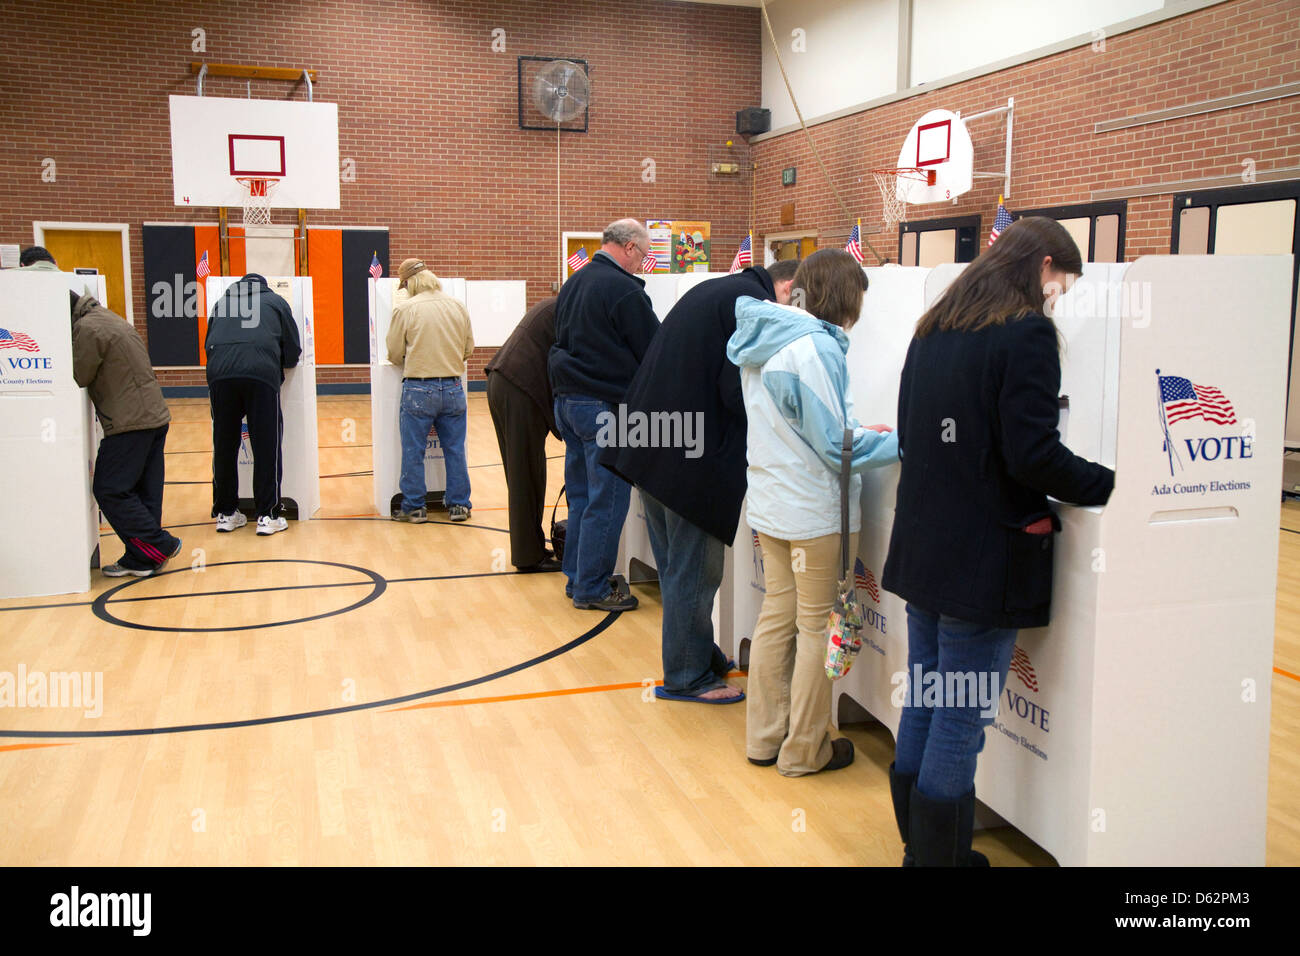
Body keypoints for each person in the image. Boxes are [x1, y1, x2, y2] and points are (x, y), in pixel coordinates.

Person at [881, 217, 1115, 866]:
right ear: (1043, 265)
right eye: (1060, 286)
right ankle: (939, 859)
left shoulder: (933, 329)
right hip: (981, 560)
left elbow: (912, 436)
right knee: (961, 717)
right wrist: (1108, 485)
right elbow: (1033, 455)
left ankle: (919, 846)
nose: (1056, 301)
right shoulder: (1027, 334)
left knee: (929, 697)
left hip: (924, 547)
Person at [727, 249, 898, 773]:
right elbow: (835, 447)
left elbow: (802, 428)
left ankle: (764, 738)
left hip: (772, 505)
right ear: (844, 297)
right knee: (816, 628)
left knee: (777, 617)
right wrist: (902, 443)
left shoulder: (765, 339)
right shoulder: (815, 348)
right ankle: (805, 750)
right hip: (814, 514)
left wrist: (859, 434)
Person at [602, 259, 800, 703]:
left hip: (650, 443)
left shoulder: (720, 292)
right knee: (695, 572)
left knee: (678, 568)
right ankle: (687, 676)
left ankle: (698, 655)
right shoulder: (749, 306)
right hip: (689, 459)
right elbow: (735, 392)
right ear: (787, 286)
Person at [549, 219, 659, 611]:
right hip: (604, 409)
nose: (642, 265)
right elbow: (654, 351)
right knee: (608, 501)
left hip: (569, 403)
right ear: (629, 247)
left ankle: (578, 577)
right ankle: (593, 588)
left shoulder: (574, 282)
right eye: (644, 256)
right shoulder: (623, 290)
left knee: (581, 497)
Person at [70, 290, 182, 576]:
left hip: (129, 420)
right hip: (154, 415)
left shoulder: (86, 327)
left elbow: (79, 375)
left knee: (109, 488)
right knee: (145, 492)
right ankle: (142, 559)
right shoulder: (109, 318)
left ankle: (160, 544)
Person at [206, 273, 301, 535]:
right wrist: (283, 361)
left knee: (223, 445)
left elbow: (208, 343)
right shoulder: (275, 301)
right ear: (263, 286)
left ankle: (226, 513)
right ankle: (267, 515)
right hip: (260, 373)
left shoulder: (221, 302)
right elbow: (293, 348)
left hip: (220, 375)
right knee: (266, 444)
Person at [387, 260, 474, 522]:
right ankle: (459, 506)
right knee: (455, 449)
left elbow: (393, 353)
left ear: (410, 283)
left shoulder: (406, 308)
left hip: (418, 389)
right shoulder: (457, 306)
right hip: (453, 387)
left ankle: (414, 507)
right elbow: (468, 349)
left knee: (414, 451)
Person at [485, 295, 561, 571]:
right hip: (519, 388)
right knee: (526, 475)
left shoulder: (554, 305)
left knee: (526, 473)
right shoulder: (569, 310)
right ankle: (528, 556)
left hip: (505, 382)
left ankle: (531, 548)